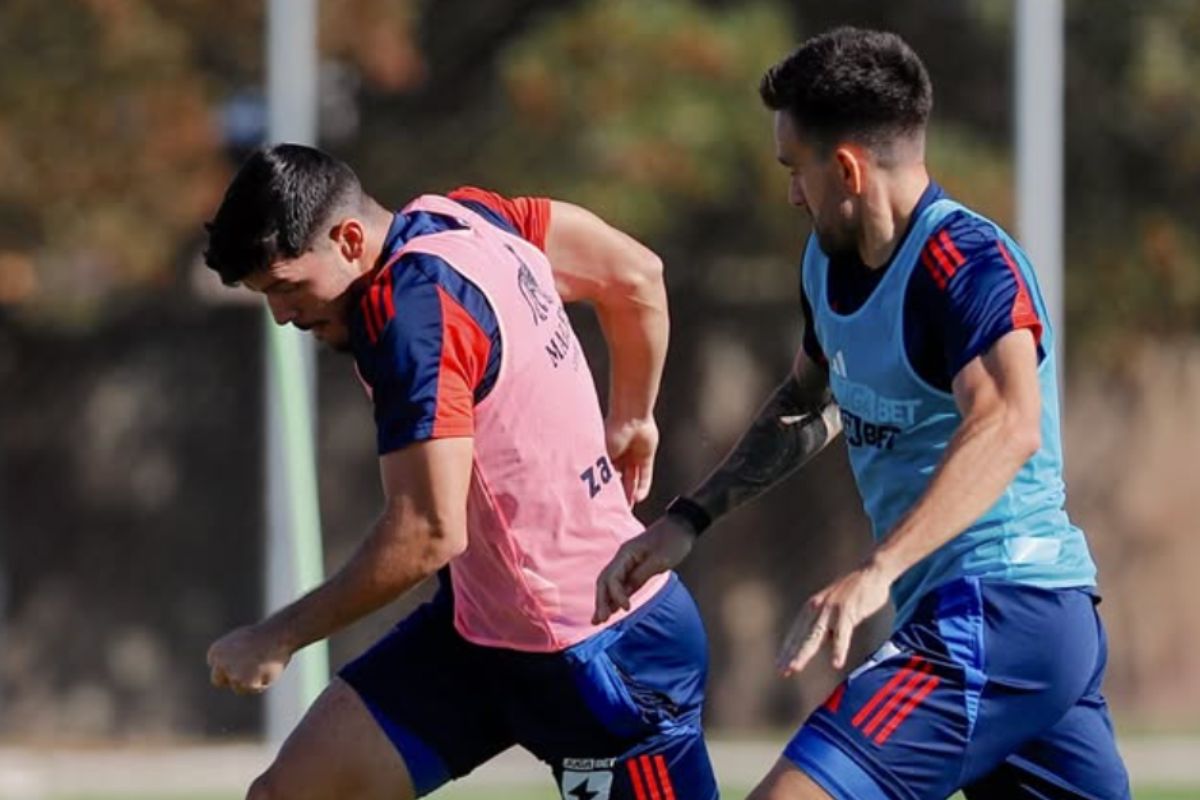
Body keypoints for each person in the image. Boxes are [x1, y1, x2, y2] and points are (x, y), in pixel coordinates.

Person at [596, 27, 1130, 800]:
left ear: (844, 167)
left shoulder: (969, 264)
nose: (790, 193)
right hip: (1013, 630)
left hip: (1000, 610)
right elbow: (806, 406)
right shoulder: (825, 263)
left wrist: (878, 571)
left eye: (795, 170)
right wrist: (689, 519)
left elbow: (1009, 424)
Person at [203, 144, 717, 800]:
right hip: (481, 638)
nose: (282, 314)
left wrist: (278, 636)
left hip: (601, 649)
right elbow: (634, 275)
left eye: (286, 286)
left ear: (349, 238)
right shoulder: (468, 217)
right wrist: (634, 416)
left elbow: (427, 533)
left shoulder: (408, 311)